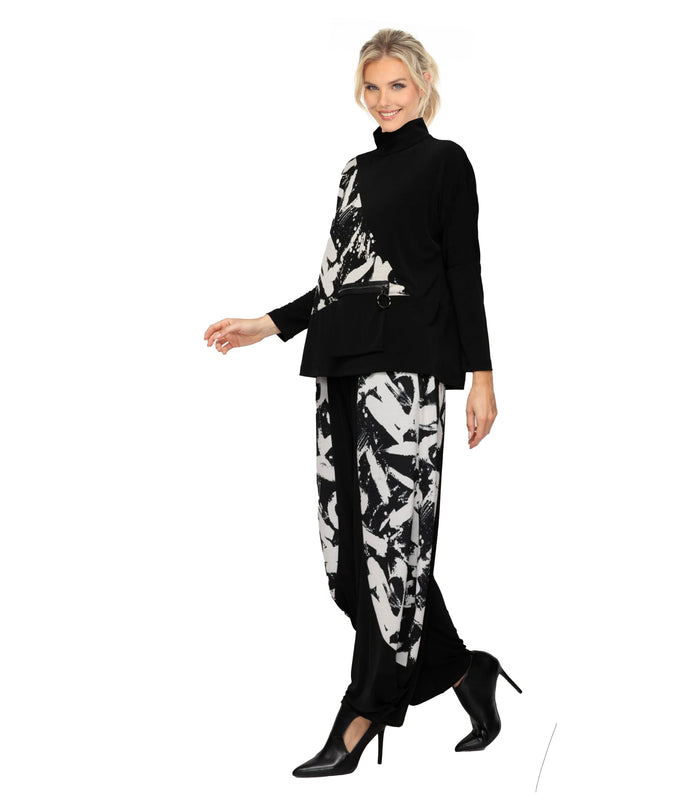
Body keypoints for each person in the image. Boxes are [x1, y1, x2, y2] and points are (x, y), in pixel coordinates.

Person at [203, 28, 521, 778]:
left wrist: (481, 375)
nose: (384, 100)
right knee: (351, 560)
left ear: (424, 86)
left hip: (404, 373)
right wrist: (269, 324)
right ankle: (462, 669)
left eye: (397, 86)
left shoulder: (446, 163)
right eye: (372, 88)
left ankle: (362, 712)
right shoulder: (353, 172)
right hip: (338, 364)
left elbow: (464, 271)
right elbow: (337, 280)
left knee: (394, 549)